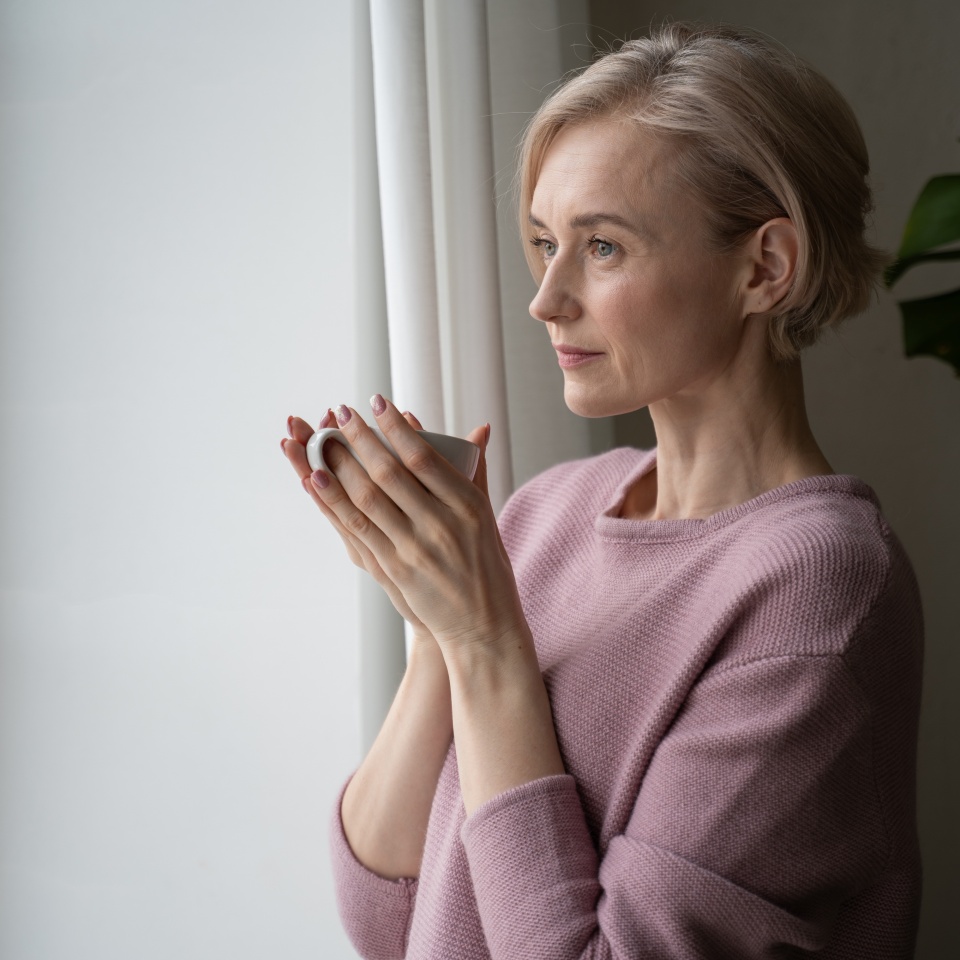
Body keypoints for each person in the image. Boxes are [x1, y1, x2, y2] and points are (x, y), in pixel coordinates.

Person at [280, 22, 923, 960]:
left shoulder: (821, 592)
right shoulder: (549, 512)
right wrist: (436, 630)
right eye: (545, 242)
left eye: (605, 247)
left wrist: (486, 640)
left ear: (765, 266)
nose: (547, 298)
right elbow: (391, 917)